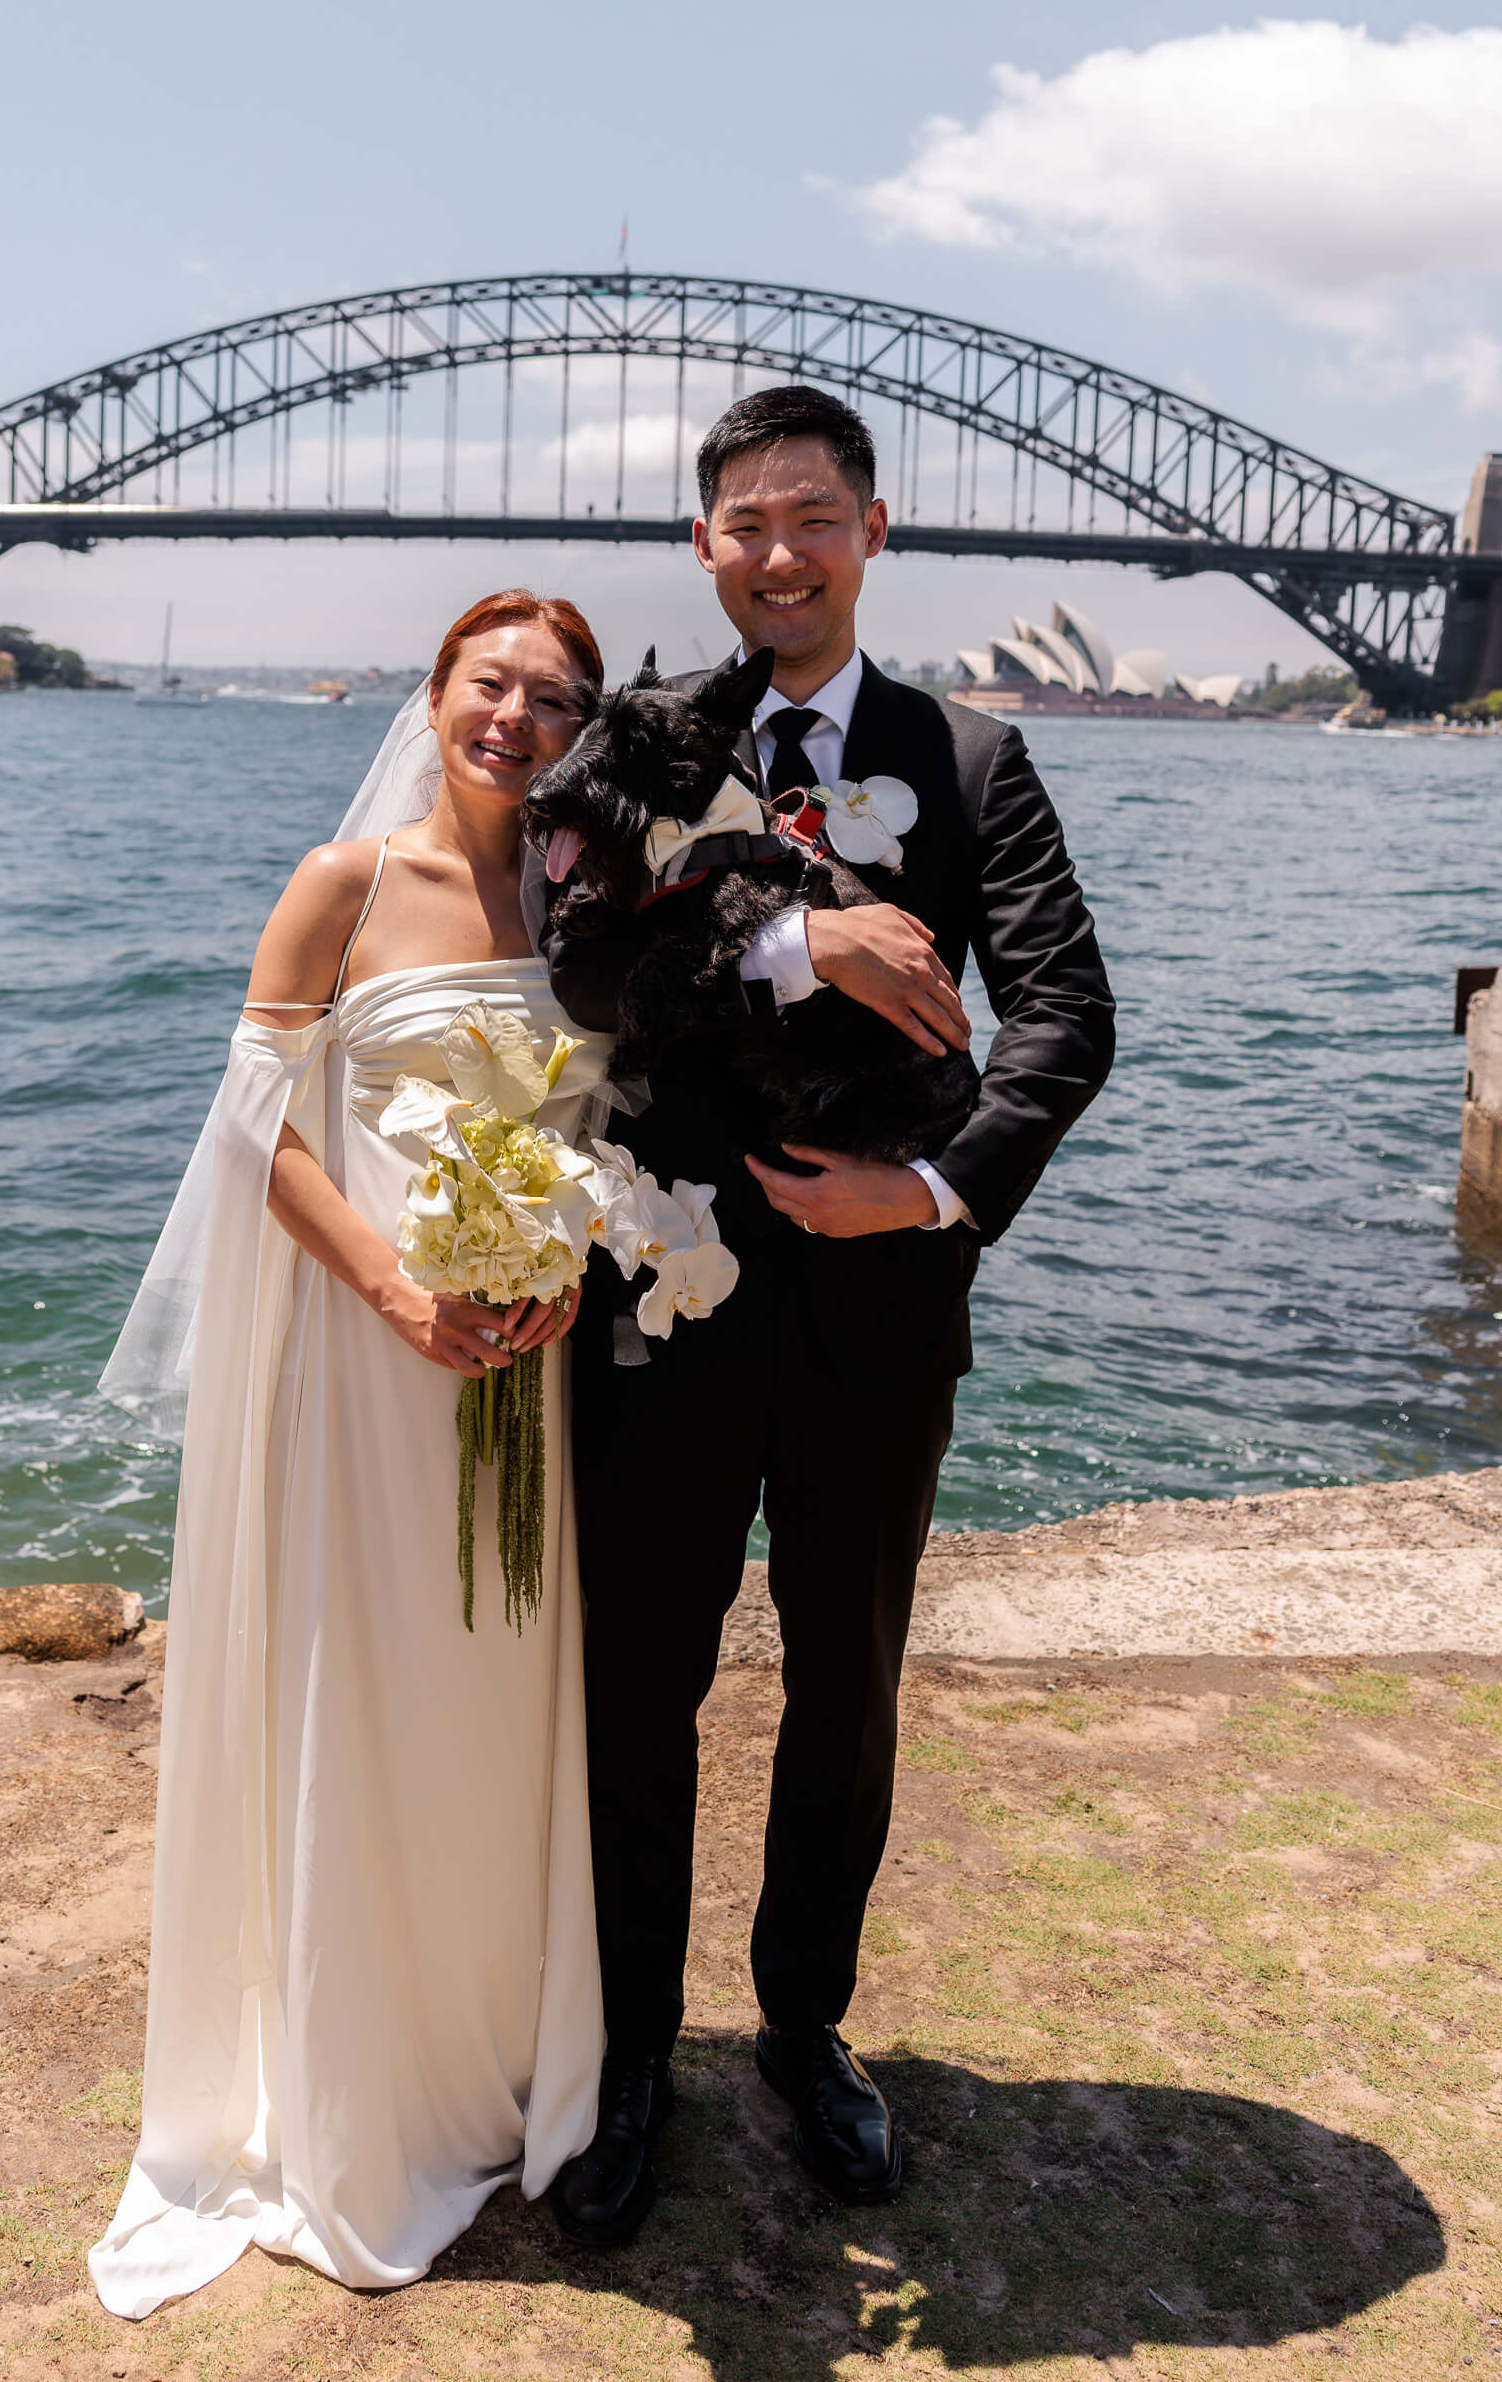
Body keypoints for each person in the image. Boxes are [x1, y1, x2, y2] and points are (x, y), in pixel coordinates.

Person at [541, 384, 1117, 2243]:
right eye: (742, 523)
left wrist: (930, 1193)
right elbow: (580, 962)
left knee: (844, 1690)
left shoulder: (966, 758)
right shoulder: (634, 740)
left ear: (874, 530)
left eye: (812, 516)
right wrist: (801, 935)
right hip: (663, 1305)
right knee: (636, 1684)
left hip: (878, 1315)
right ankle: (632, 2055)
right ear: (700, 550)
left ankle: (802, 2029)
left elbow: (1063, 1017)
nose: (777, 551)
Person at [88, 590, 613, 2313]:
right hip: (371, 1349)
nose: (513, 723)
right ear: (437, 694)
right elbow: (254, 1115)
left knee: (491, 1696)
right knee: (364, 1688)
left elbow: (602, 1119)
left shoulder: (583, 890)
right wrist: (396, 1287)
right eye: (489, 688)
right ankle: (350, 2086)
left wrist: (563, 1258)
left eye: (549, 700)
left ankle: (480, 2058)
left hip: (515, 1356)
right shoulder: (349, 883)